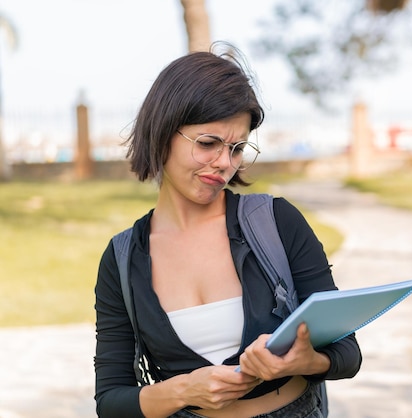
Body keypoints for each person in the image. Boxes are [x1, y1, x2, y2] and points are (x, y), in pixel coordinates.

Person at [93, 43, 362, 418]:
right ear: (163, 132)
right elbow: (110, 402)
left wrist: (304, 361)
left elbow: (348, 353)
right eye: (208, 144)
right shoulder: (123, 260)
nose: (224, 164)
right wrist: (183, 389)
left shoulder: (276, 223)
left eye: (236, 148)